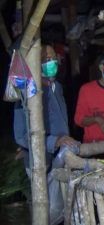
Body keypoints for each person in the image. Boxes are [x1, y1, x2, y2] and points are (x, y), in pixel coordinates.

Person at [14, 45, 79, 176]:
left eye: (54, 58)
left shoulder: (57, 87)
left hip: (61, 154)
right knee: (46, 195)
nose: (53, 62)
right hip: (40, 161)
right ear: (35, 63)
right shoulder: (27, 91)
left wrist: (63, 140)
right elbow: (21, 136)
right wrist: (55, 141)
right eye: (47, 58)